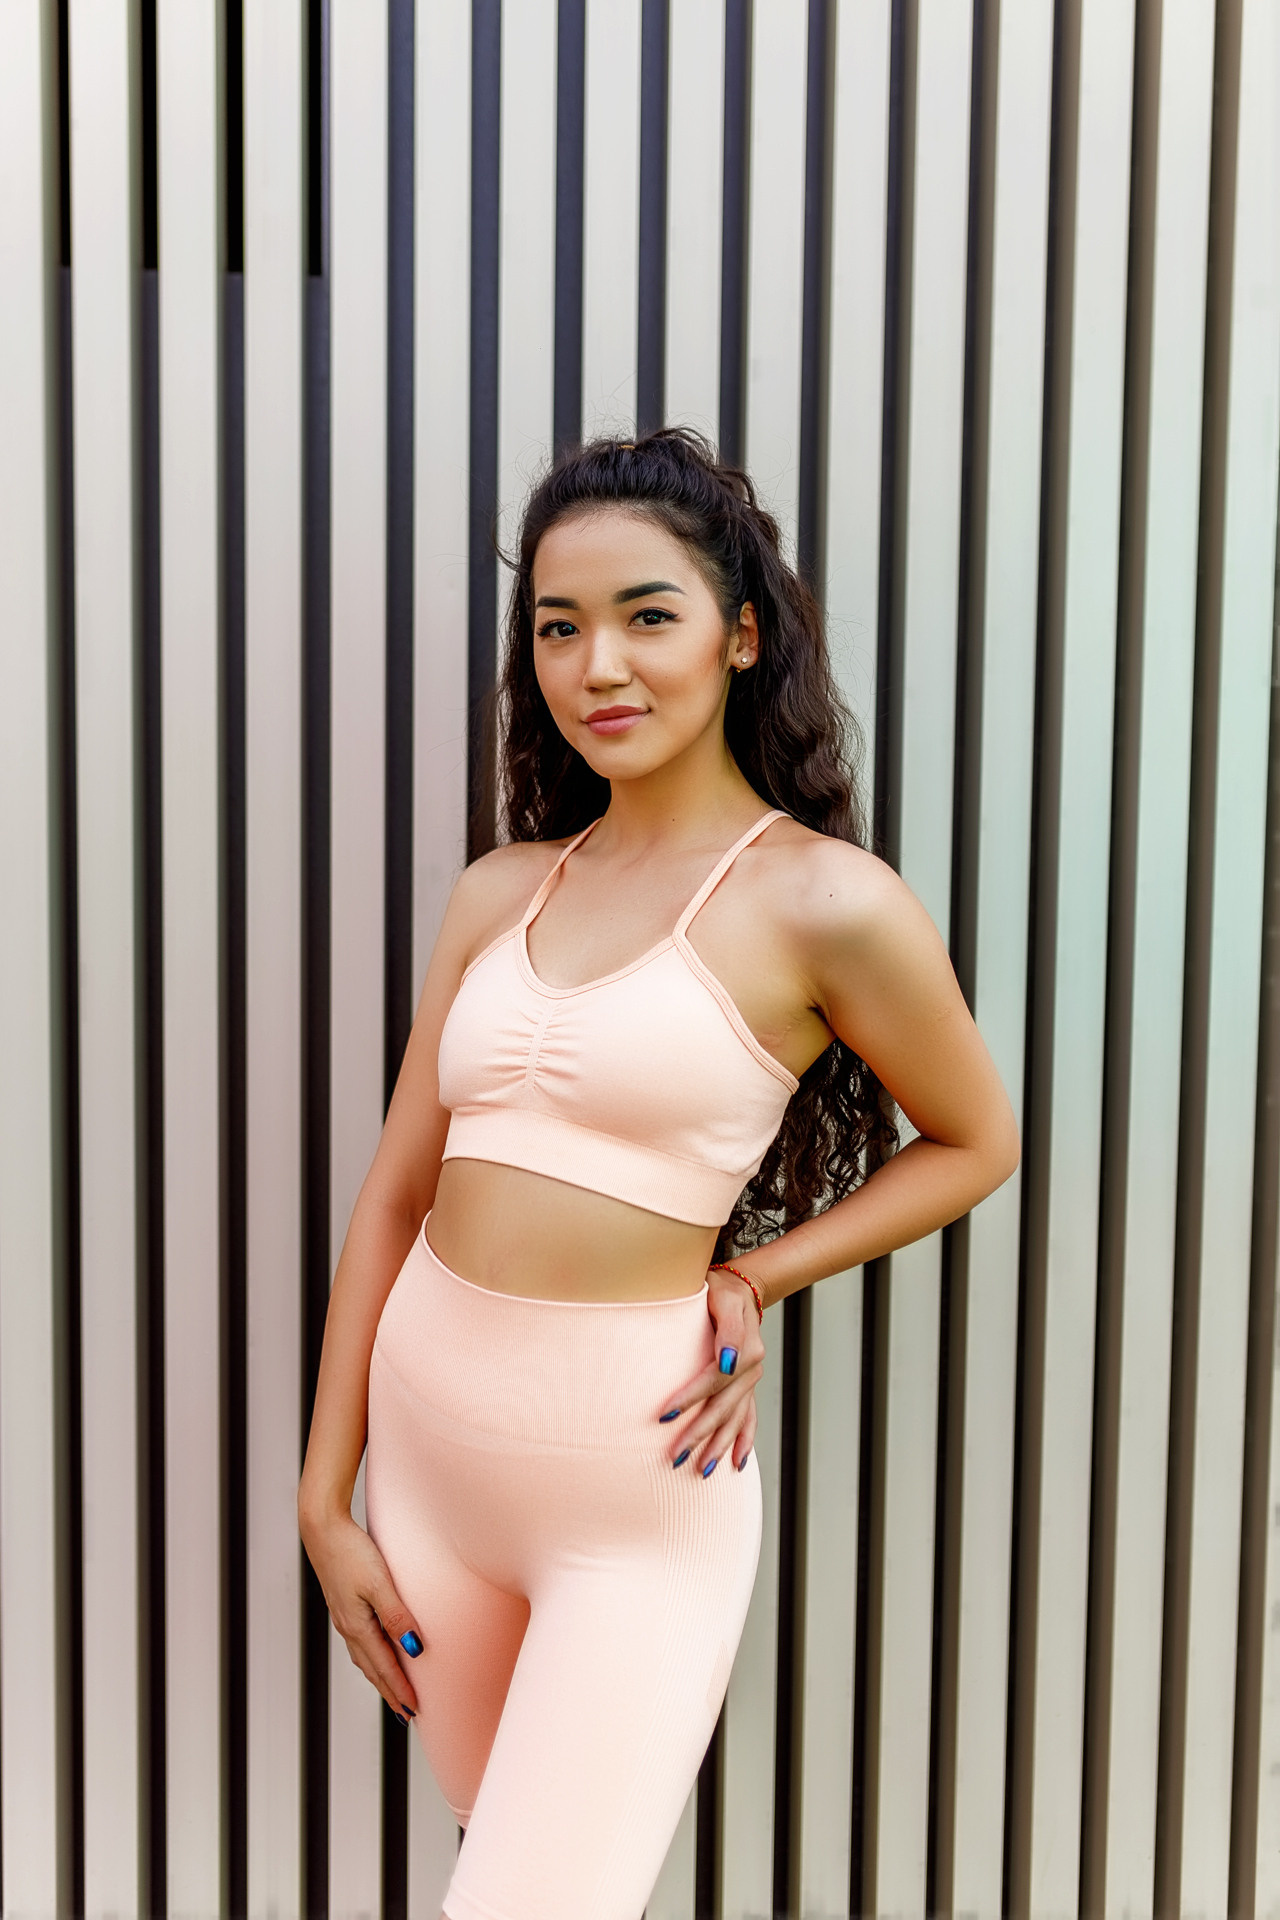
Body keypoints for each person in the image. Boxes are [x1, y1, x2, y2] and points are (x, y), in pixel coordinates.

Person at [298, 426, 1020, 1920]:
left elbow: (977, 1142)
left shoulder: (827, 904)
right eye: (558, 629)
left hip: (637, 1484)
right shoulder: (501, 890)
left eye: (647, 615)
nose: (598, 666)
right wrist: (324, 1495)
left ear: (741, 637)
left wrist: (759, 1271)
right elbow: (394, 1197)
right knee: (493, 1861)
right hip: (427, 1459)